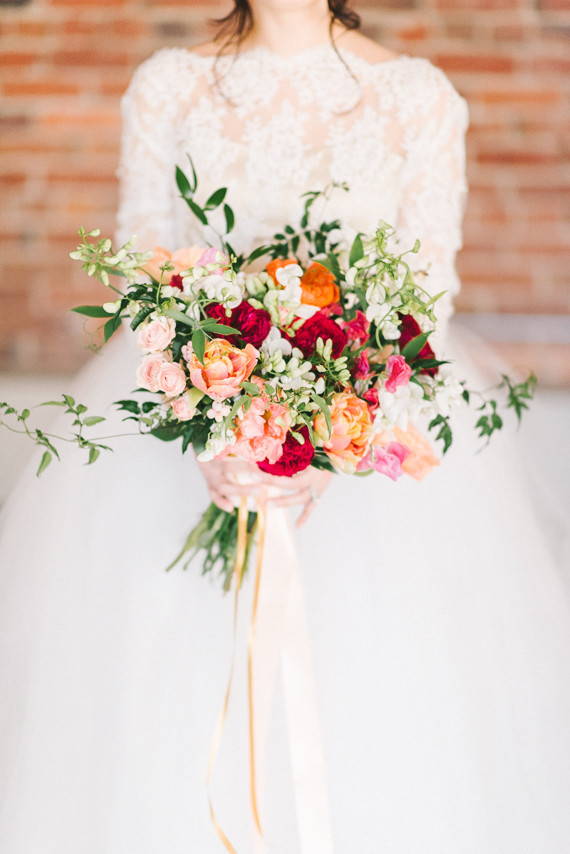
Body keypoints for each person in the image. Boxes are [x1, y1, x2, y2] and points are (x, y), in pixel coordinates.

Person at [1, 1, 570, 851]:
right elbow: (145, 278)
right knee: (164, 699)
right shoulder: (168, 86)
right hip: (187, 433)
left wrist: (331, 440)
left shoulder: (419, 98)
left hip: (371, 446)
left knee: (380, 713)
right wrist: (206, 420)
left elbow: (425, 304)